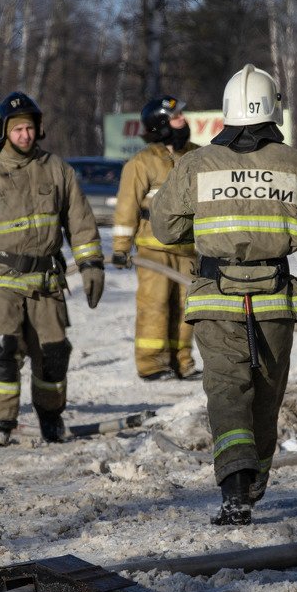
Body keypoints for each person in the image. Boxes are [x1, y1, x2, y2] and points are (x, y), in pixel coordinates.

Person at [151, 64, 297, 525]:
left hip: (217, 297)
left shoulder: (194, 164)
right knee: (266, 396)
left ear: (228, 111)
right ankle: (253, 484)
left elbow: (165, 229)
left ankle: (234, 488)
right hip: (274, 296)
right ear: (273, 109)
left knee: (227, 390)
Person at [0, 92, 105, 446]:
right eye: (17, 130)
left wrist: (92, 264)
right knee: (4, 348)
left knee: (54, 353)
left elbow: (80, 222)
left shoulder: (57, 170)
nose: (25, 136)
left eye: (29, 128)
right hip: (0, 280)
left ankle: (50, 417)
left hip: (46, 282)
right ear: (4, 132)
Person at [112, 96, 199, 381]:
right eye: (176, 118)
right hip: (153, 251)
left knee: (190, 308)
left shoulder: (197, 157)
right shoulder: (142, 163)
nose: (183, 121)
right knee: (155, 305)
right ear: (161, 125)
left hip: (190, 250)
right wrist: (121, 247)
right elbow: (127, 206)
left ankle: (181, 362)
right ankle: (151, 364)